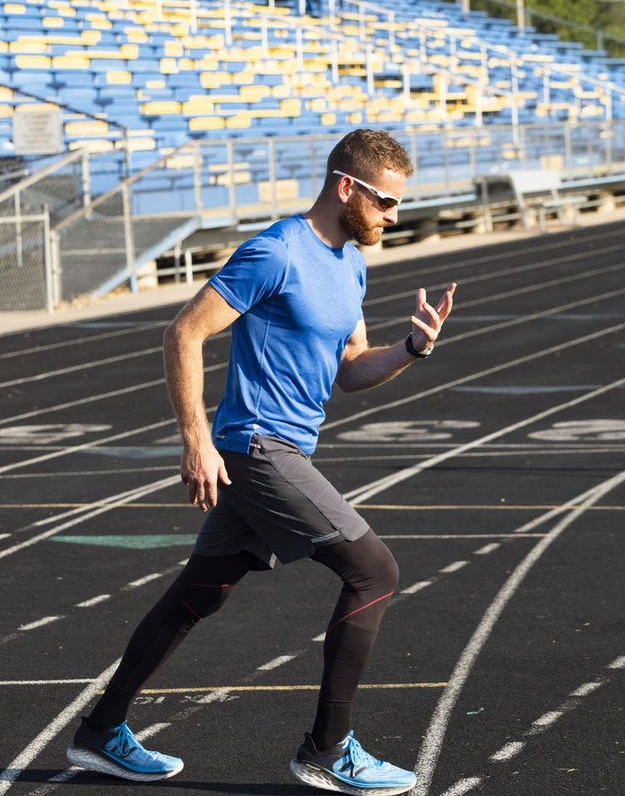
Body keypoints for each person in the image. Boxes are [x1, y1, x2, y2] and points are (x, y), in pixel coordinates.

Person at [67, 128, 456, 795]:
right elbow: (184, 330)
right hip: (254, 446)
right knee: (375, 569)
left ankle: (101, 729)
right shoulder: (276, 251)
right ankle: (328, 749)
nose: (394, 216)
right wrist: (195, 439)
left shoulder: (351, 264)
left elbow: (351, 371)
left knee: (199, 592)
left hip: (284, 449)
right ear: (346, 188)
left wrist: (411, 348)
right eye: (386, 203)